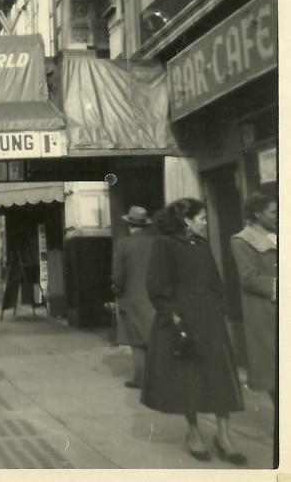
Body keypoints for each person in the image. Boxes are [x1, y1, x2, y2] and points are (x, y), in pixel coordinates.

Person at [141, 198, 246, 464]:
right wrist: (174, 318)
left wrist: (217, 307)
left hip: (210, 321)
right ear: (187, 220)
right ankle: (194, 433)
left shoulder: (201, 244)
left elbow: (215, 281)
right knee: (188, 380)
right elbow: (156, 287)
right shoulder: (164, 244)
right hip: (182, 322)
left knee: (220, 377)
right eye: (202, 217)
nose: (206, 222)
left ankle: (224, 436)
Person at [230, 192, 277, 405]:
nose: (279, 215)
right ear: (257, 213)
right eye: (274, 212)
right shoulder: (243, 240)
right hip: (269, 312)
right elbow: (249, 278)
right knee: (276, 375)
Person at [111, 206, 157, 389]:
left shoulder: (122, 244)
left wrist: (117, 290)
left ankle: (141, 378)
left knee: (137, 341)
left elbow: (118, 274)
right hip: (154, 298)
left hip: (131, 299)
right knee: (155, 338)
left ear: (129, 224)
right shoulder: (156, 242)